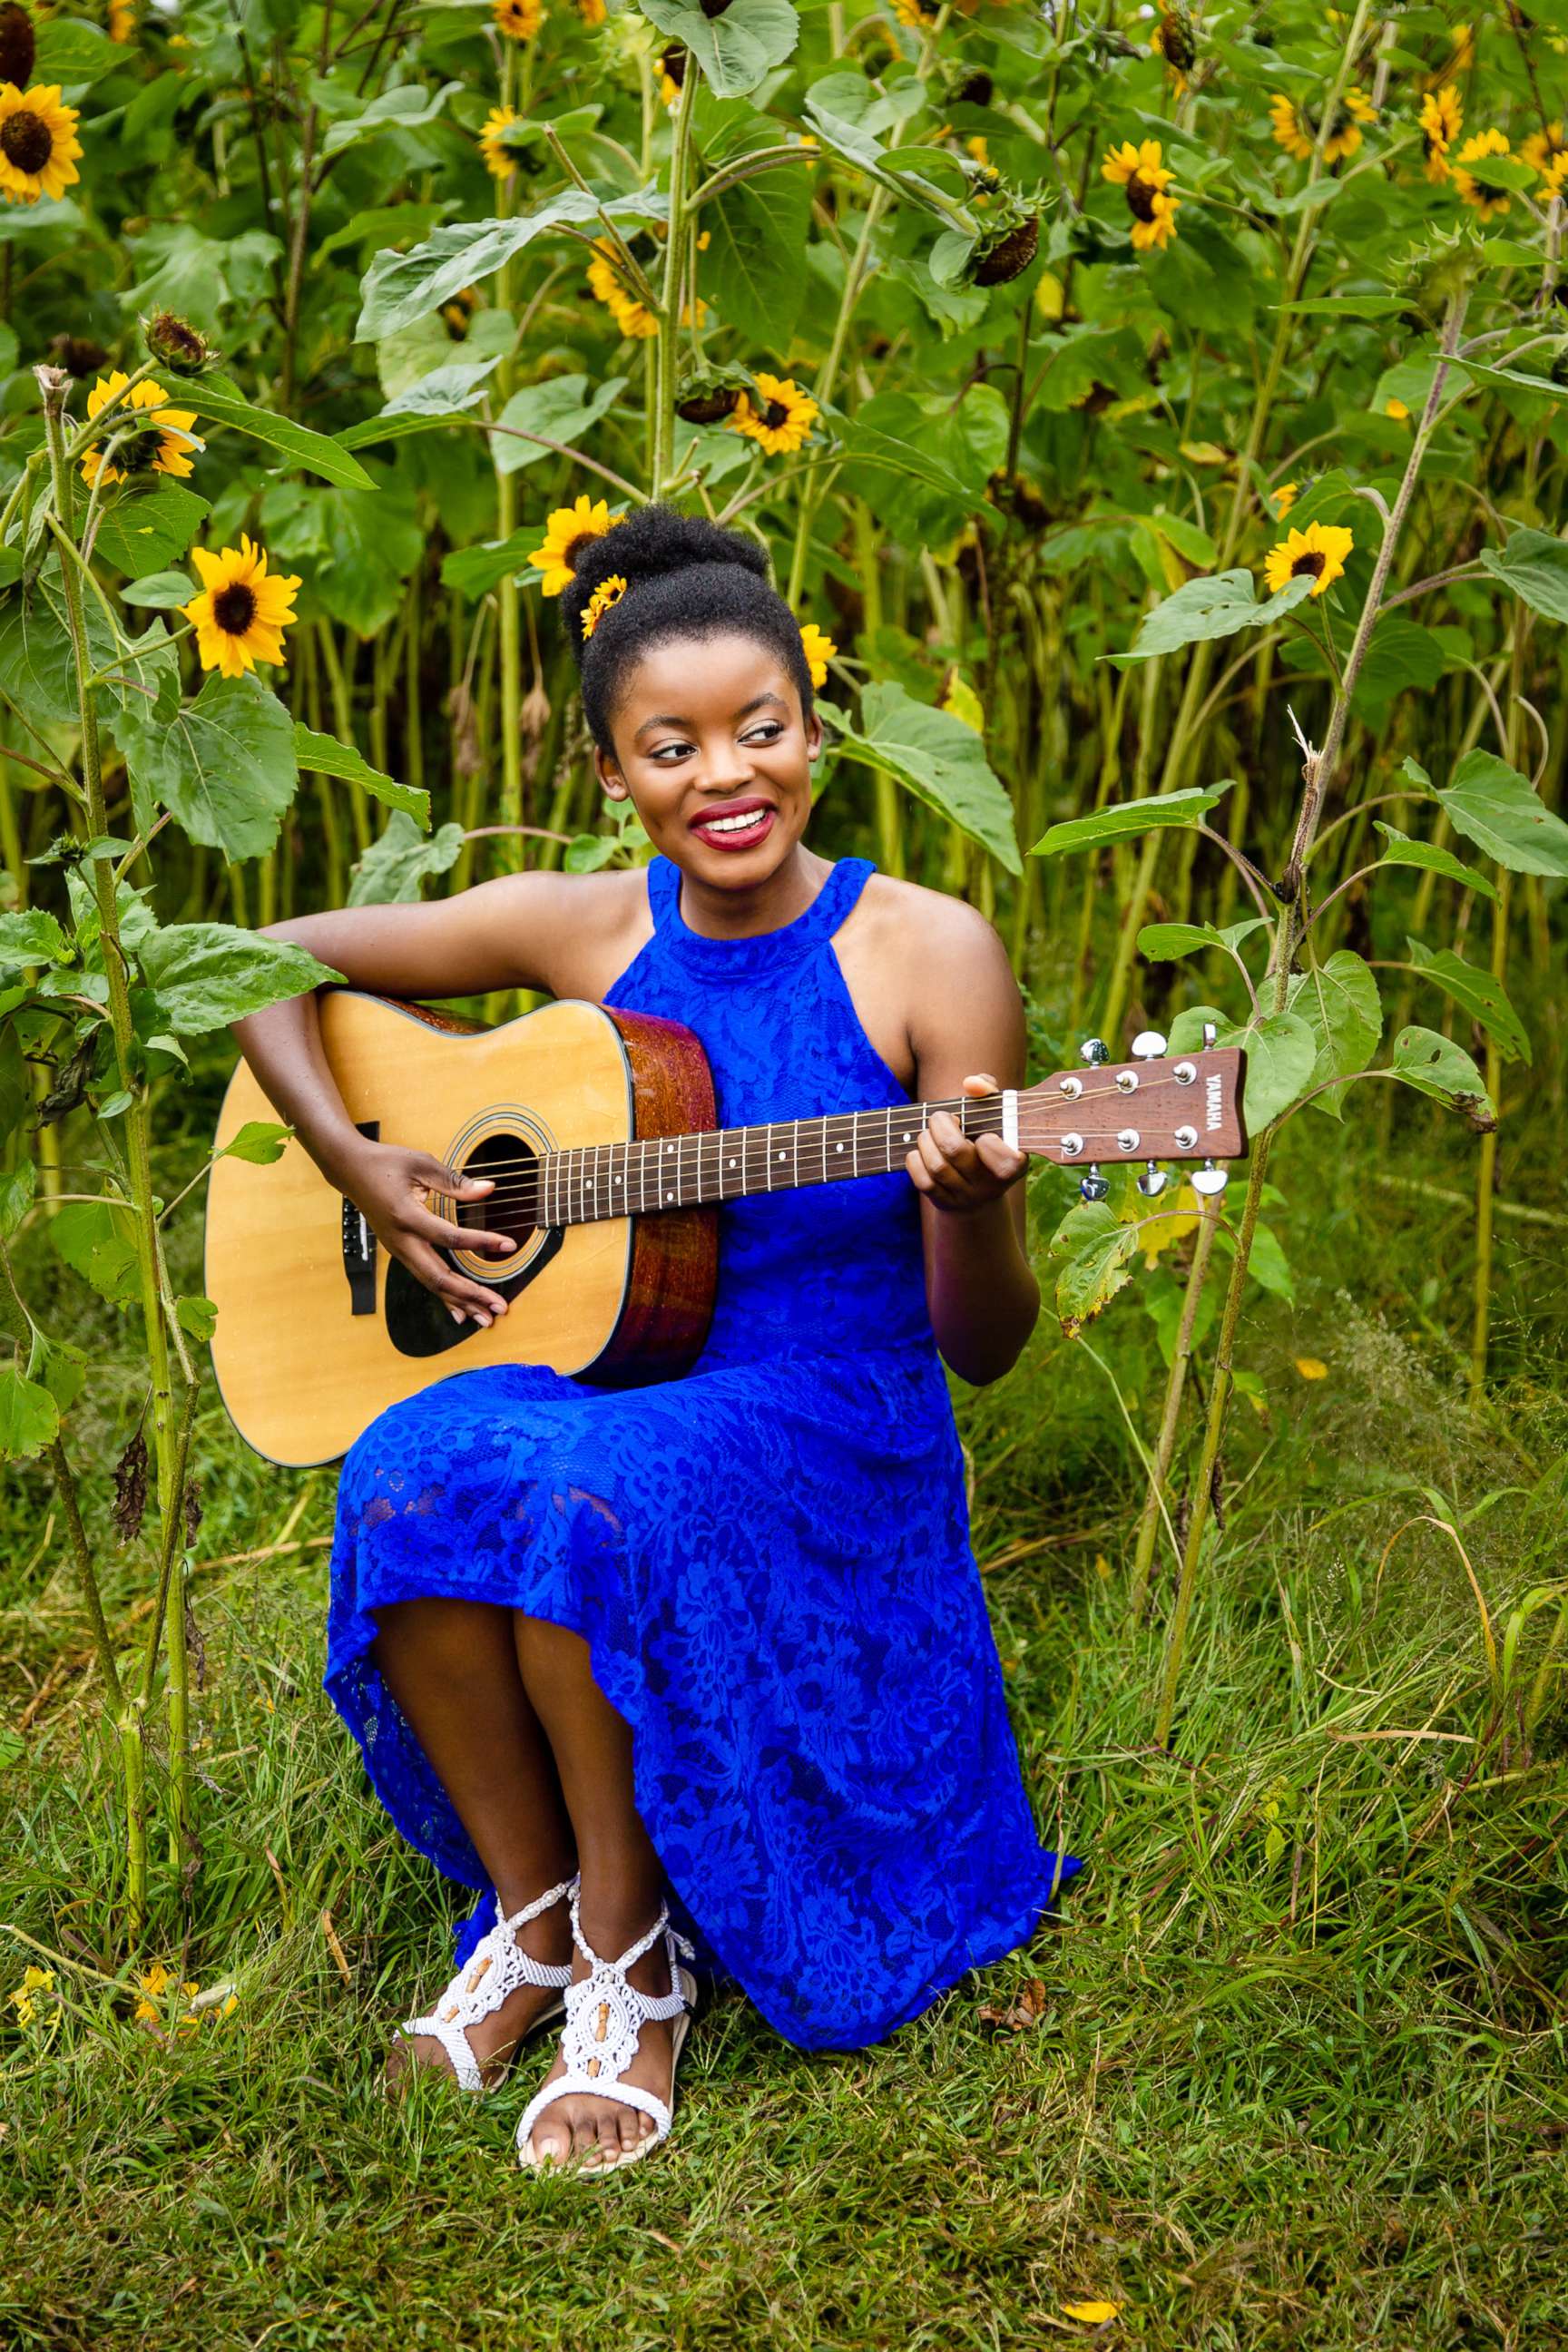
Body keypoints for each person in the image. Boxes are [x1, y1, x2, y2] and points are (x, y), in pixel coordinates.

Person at [230, 503, 1080, 2179]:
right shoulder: (589, 927)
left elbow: (984, 1349)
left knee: (582, 1497)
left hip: (837, 1413)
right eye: (671, 746)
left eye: (760, 730)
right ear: (616, 778)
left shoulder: (929, 953)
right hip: (628, 1369)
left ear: (816, 735)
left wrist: (972, 1204)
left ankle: (636, 1965)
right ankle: (533, 1913)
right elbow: (247, 966)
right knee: (407, 1462)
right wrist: (365, 1167)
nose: (725, 775)